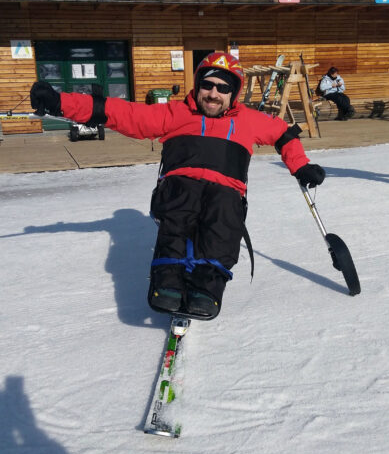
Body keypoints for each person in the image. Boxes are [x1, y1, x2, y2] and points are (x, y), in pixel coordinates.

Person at [30, 52, 325, 320]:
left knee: (223, 210)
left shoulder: (248, 120)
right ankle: (168, 279)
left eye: (223, 89)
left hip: (226, 192)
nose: (213, 94)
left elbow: (283, 134)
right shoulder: (175, 114)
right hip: (179, 188)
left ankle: (206, 287)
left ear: (233, 94)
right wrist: (60, 103)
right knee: (183, 200)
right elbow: (120, 112)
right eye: (208, 85)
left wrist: (300, 165)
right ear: (197, 85)